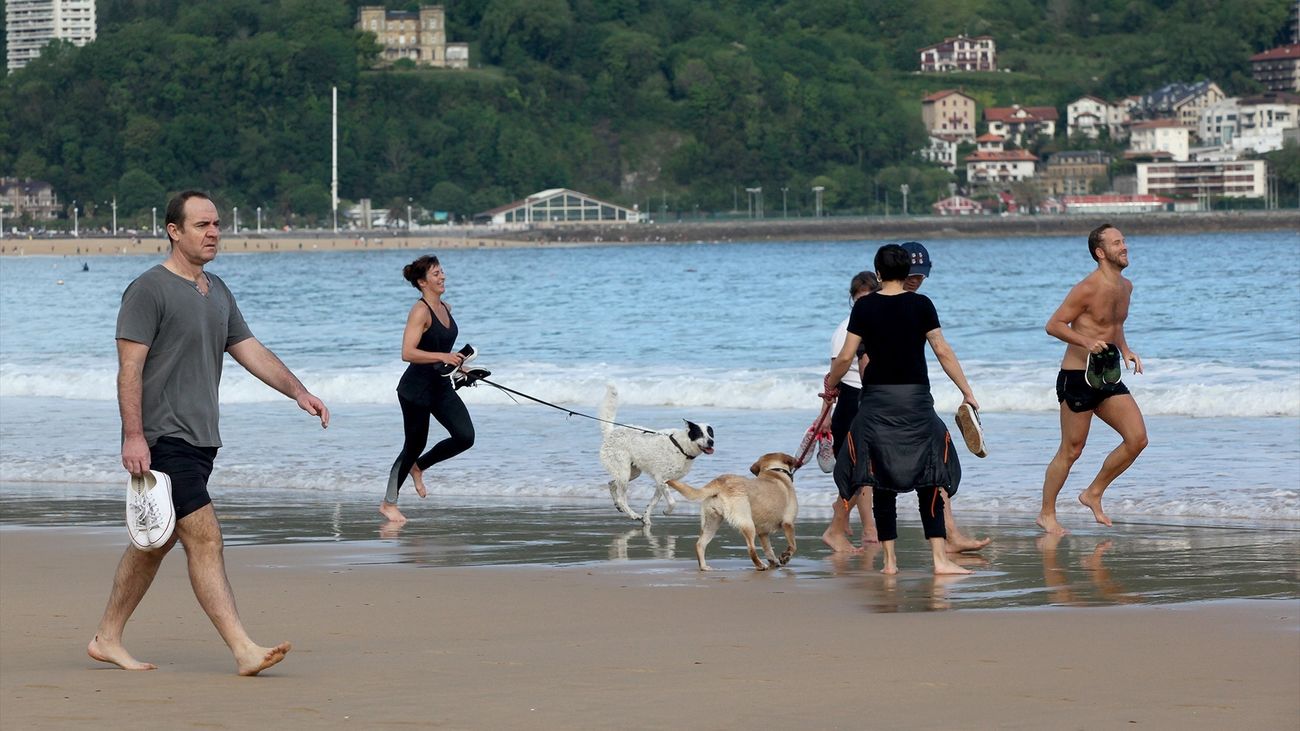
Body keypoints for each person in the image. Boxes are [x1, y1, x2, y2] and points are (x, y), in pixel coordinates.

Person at [88, 191, 330, 675]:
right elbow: (128, 370)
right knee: (205, 537)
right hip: (162, 437)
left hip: (202, 439)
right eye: (202, 225)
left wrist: (298, 391)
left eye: (217, 224)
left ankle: (107, 637)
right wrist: (133, 436)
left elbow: (250, 349)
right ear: (174, 231)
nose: (214, 232)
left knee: (154, 543)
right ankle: (243, 648)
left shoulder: (217, 290)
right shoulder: (148, 290)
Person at [825, 244, 977, 575]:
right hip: (916, 400)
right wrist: (967, 391)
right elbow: (942, 350)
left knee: (879, 477)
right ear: (906, 271)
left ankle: (890, 563)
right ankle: (939, 560)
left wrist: (830, 382)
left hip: (877, 400)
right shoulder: (921, 304)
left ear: (878, 273)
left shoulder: (864, 309)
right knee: (931, 473)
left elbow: (846, 357)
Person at [1037, 223, 1147, 534]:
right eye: (1116, 243)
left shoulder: (1126, 287)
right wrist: (1085, 342)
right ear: (1100, 252)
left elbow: (1114, 325)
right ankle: (1046, 513)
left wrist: (1125, 350)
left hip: (1107, 375)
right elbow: (1054, 325)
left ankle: (1093, 492)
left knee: (1137, 439)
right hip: (1076, 376)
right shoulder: (1086, 288)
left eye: (1124, 240)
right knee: (1071, 449)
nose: (1124, 246)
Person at [899, 241, 990, 554]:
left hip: (913, 398)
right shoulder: (877, 305)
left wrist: (967, 391)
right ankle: (839, 527)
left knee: (937, 458)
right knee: (872, 472)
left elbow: (942, 349)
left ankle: (949, 535)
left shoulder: (919, 305)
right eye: (911, 272)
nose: (916, 279)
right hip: (891, 400)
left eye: (921, 274)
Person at [381, 255, 475, 523]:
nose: (442, 276)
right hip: (415, 390)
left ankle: (419, 466)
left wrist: (460, 366)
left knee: (465, 436)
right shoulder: (420, 311)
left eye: (442, 271)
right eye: (436, 274)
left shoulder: (446, 307)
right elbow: (407, 352)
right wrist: (443, 357)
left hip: (440, 385)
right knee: (414, 444)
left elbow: (441, 352)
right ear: (422, 282)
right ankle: (389, 503)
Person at [820, 271, 879, 553]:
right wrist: (825, 415)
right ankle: (839, 523)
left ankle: (869, 531)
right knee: (860, 473)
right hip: (852, 401)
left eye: (869, 298)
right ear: (852, 301)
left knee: (867, 473)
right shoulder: (845, 330)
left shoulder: (881, 326)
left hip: (875, 398)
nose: (865, 304)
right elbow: (832, 379)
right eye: (859, 300)